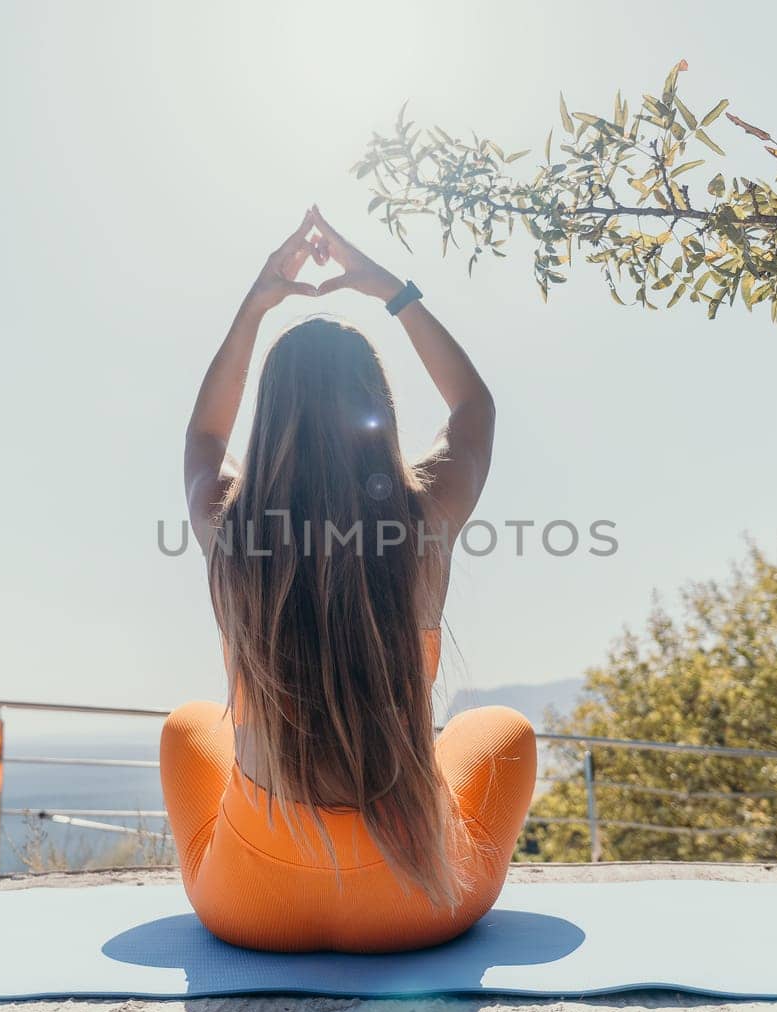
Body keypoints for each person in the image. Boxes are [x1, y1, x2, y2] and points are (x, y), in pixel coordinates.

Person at [162, 205, 536, 953]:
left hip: (246, 907)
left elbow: (204, 436)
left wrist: (255, 305)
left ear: (270, 419)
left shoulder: (229, 528)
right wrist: (389, 290)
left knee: (187, 727)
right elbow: (474, 406)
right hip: (418, 894)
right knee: (504, 732)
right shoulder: (424, 518)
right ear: (379, 410)